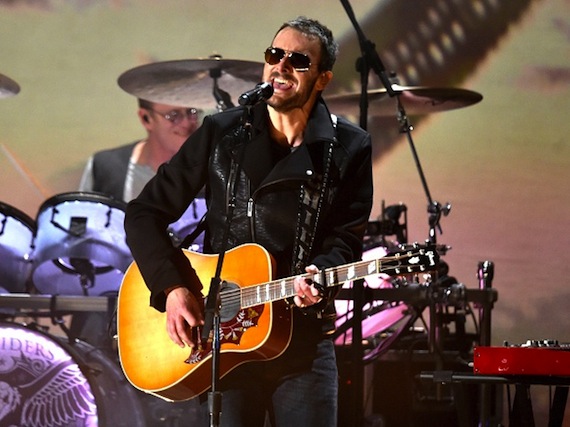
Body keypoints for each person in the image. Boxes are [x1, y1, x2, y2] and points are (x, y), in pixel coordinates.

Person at [124, 16, 373, 427]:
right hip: (224, 340)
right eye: (275, 55)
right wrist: (172, 287)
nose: (281, 66)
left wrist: (321, 273)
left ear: (323, 78)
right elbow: (143, 214)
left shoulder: (349, 147)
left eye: (298, 60)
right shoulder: (223, 133)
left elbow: (345, 239)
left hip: (303, 343)